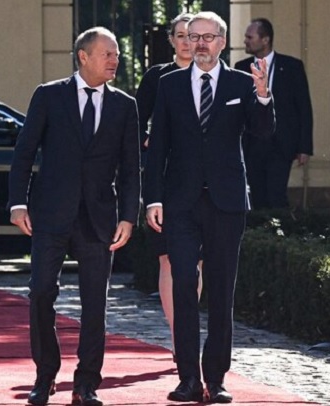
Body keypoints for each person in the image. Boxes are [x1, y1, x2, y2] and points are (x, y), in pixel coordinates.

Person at [143, 11, 274, 404]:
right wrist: (153, 198)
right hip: (179, 203)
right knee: (184, 286)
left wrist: (264, 94)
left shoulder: (240, 82)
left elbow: (262, 131)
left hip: (227, 202)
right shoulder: (169, 85)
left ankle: (215, 379)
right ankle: (187, 379)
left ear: (222, 41)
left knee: (220, 291)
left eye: (207, 37)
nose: (199, 43)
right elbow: (157, 148)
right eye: (192, 36)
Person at [8, 27, 140, 406]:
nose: (116, 60)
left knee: (95, 305)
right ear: (83, 56)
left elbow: (132, 169)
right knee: (41, 294)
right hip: (50, 215)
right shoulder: (48, 96)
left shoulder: (124, 106)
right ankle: (45, 375)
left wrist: (128, 216)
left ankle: (86, 385)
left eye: (116, 54)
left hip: (99, 220)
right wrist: (18, 203)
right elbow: (24, 152)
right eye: (108, 54)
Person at [135, 12, 202, 362]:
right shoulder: (157, 77)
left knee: (197, 263)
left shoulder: (211, 78)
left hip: (201, 180)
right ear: (172, 40)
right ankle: (180, 338)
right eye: (180, 35)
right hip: (163, 177)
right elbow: (136, 120)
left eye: (192, 36)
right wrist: (148, 140)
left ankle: (187, 333)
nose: (186, 42)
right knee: (167, 260)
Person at [234, 17, 313, 209]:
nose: (245, 41)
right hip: (252, 145)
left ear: (265, 40)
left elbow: (303, 108)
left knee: (277, 195)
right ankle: (262, 237)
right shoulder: (241, 68)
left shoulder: (292, 67)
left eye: (249, 37)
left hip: (281, 143)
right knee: (257, 197)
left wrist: (304, 147)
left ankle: (280, 235)